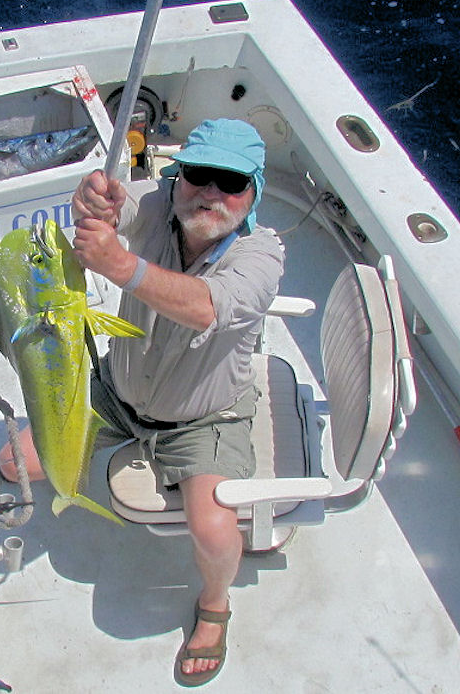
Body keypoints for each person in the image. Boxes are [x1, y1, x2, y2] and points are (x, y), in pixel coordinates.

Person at [71, 118, 284, 686]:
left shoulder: (263, 256)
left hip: (203, 418)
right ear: (178, 175)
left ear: (255, 192)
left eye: (231, 182)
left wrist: (120, 265)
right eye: (198, 174)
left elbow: (206, 308)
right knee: (14, 459)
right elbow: (111, 212)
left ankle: (215, 606)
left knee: (212, 528)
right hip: (117, 392)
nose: (210, 192)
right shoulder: (158, 202)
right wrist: (92, 202)